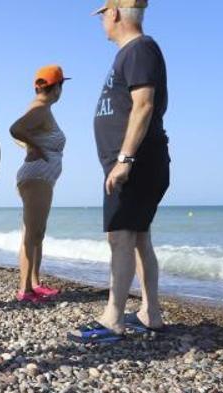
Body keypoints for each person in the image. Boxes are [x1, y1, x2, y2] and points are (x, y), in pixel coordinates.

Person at [73, 0, 171, 343]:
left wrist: (125, 159)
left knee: (120, 237)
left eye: (102, 15)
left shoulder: (139, 49)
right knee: (139, 236)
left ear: (114, 13)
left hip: (135, 162)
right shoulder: (132, 52)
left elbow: (143, 104)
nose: (102, 22)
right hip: (139, 161)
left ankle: (113, 317)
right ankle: (151, 313)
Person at [10, 65, 69, 304]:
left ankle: (34, 283)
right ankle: (25, 289)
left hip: (41, 177)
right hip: (36, 178)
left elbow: (20, 134)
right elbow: (16, 129)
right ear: (56, 88)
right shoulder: (40, 109)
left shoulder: (41, 109)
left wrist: (31, 145)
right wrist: (34, 147)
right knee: (32, 233)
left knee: (37, 233)